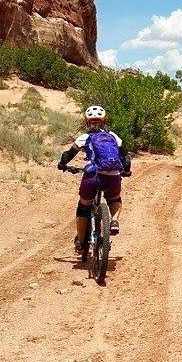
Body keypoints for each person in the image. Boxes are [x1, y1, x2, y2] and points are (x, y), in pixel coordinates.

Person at [57, 105, 131, 253]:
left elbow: (68, 155)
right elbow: (125, 158)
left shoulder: (84, 138)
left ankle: (82, 241)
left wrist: (62, 164)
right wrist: (126, 171)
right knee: (114, 199)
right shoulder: (114, 137)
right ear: (104, 121)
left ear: (87, 122)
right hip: (113, 177)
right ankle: (114, 221)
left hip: (92, 177)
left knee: (83, 206)